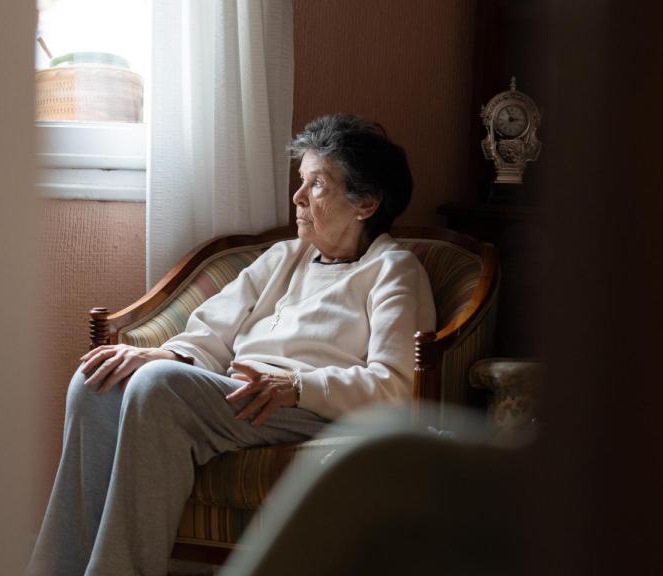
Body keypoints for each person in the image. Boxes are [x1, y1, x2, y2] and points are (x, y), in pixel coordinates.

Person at [27, 114, 437, 576]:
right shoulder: (284, 256)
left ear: (365, 203)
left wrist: (296, 386)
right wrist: (164, 353)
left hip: (311, 410)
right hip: (240, 396)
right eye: (301, 181)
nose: (298, 196)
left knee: (158, 386)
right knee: (97, 381)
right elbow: (213, 327)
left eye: (317, 185)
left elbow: (395, 384)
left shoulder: (393, 270)